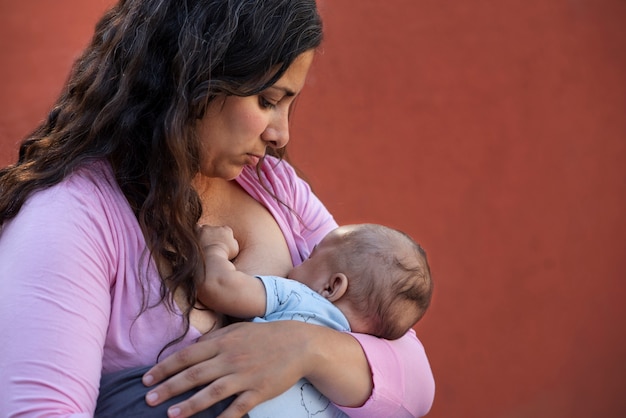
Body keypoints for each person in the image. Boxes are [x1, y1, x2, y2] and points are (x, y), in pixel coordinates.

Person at [0, 1, 435, 417]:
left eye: (289, 103)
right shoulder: (70, 219)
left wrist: (303, 348)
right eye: (266, 100)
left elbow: (415, 380)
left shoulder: (275, 189)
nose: (280, 134)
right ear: (193, 82)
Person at [197, 223, 433, 341]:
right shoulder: (346, 354)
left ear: (331, 287)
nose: (301, 257)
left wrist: (214, 247)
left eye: (312, 256)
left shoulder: (300, 298)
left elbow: (217, 286)